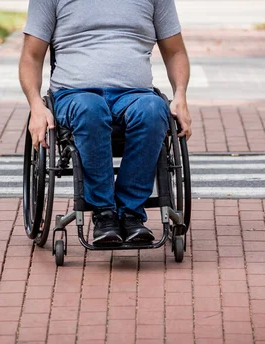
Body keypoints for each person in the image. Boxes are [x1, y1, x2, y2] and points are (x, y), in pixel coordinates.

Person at [19, 0, 192, 246]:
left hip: (135, 94)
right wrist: (36, 106)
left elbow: (175, 51)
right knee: (92, 109)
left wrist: (181, 96)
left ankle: (131, 213)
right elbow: (31, 55)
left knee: (155, 110)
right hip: (74, 95)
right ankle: (104, 213)